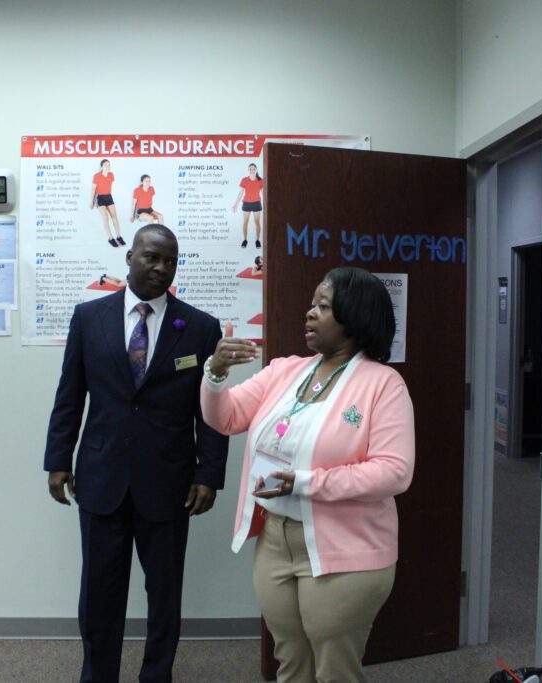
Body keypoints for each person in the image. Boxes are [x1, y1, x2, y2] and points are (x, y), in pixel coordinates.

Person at [201, 267, 414, 683]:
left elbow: (394, 472)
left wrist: (306, 482)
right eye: (312, 304)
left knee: (335, 669)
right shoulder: (286, 370)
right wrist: (216, 374)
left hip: (346, 549)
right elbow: (225, 418)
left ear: (355, 317)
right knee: (291, 661)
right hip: (276, 540)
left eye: (323, 306)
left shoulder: (383, 385)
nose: (310, 313)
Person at [45, 224, 228, 683]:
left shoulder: (200, 327)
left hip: (169, 482)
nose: (161, 268)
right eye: (151, 257)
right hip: (101, 477)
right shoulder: (89, 318)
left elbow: (210, 408)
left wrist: (210, 473)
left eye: (170, 261)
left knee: (164, 593)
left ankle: (156, 675)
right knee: (99, 592)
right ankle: (98, 674)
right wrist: (58, 459)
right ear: (129, 257)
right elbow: (70, 395)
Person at [91, 159, 125, 247]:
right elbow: (93, 189)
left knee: (114, 216)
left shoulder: (111, 175)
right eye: (105, 165)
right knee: (105, 217)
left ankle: (119, 237)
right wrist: (91, 202)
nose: (107, 166)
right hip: (99, 198)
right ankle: (110, 238)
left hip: (108, 197)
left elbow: (108, 185)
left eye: (109, 165)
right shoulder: (97, 176)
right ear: (101, 167)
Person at [232, 163, 264, 248]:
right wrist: (235, 204)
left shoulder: (260, 180)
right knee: (245, 222)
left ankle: (257, 240)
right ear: (248, 170)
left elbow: (263, 193)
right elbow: (240, 193)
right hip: (246, 204)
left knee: (257, 222)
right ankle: (245, 240)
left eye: (254, 169)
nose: (252, 170)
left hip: (257, 203)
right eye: (250, 169)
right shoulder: (245, 180)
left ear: (256, 170)